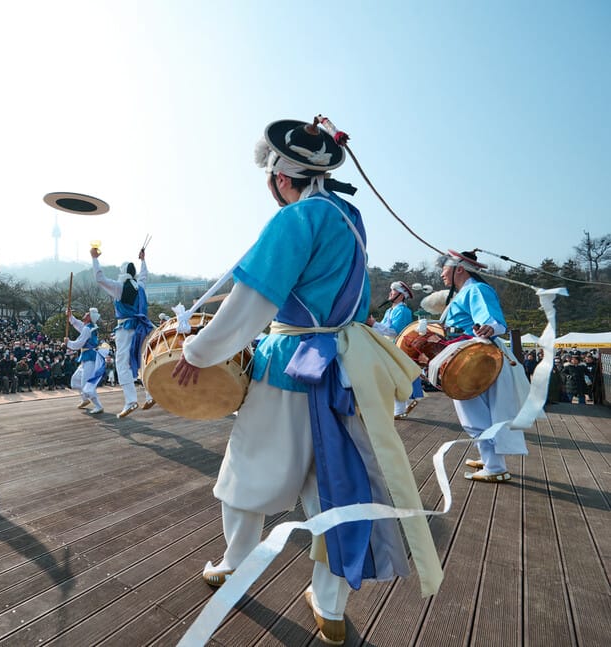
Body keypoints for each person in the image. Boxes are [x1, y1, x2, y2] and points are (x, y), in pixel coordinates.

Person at [171, 118, 440, 645]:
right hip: (346, 367)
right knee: (336, 487)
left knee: (245, 472)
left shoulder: (296, 219)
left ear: (280, 177)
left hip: (292, 362)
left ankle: (233, 566)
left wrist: (199, 351)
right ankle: (331, 606)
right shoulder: (351, 218)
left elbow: (253, 302)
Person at [436, 249, 530, 482]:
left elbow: (493, 320)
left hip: (473, 357)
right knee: (481, 410)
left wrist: (489, 327)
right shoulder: (462, 294)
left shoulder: (476, 289)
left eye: (444, 268)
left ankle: (495, 466)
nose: (441, 274)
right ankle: (489, 458)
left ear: (459, 268)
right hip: (468, 354)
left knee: (474, 413)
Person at [91, 246, 155, 417]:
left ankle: (131, 401)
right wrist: (143, 261)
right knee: (142, 361)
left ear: (123, 272)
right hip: (142, 327)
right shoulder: (140, 286)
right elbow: (144, 275)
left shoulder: (119, 287)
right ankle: (149, 395)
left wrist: (94, 258)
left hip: (126, 328)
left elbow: (100, 278)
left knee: (122, 363)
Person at [369, 281, 424, 418]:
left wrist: (374, 324)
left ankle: (400, 409)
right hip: (389, 348)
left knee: (395, 378)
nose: (390, 293)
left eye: (393, 291)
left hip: (398, 349)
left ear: (401, 295)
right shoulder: (390, 310)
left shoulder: (403, 311)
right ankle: (402, 406)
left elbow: (395, 332)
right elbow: (382, 329)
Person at [66, 307, 106, 414]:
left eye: (86, 314)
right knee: (75, 380)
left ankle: (98, 406)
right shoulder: (88, 327)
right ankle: (85, 399)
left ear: (89, 318)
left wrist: (68, 343)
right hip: (86, 358)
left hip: (90, 358)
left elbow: (79, 343)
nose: (84, 314)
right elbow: (78, 324)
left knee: (86, 385)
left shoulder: (88, 329)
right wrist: (70, 316)